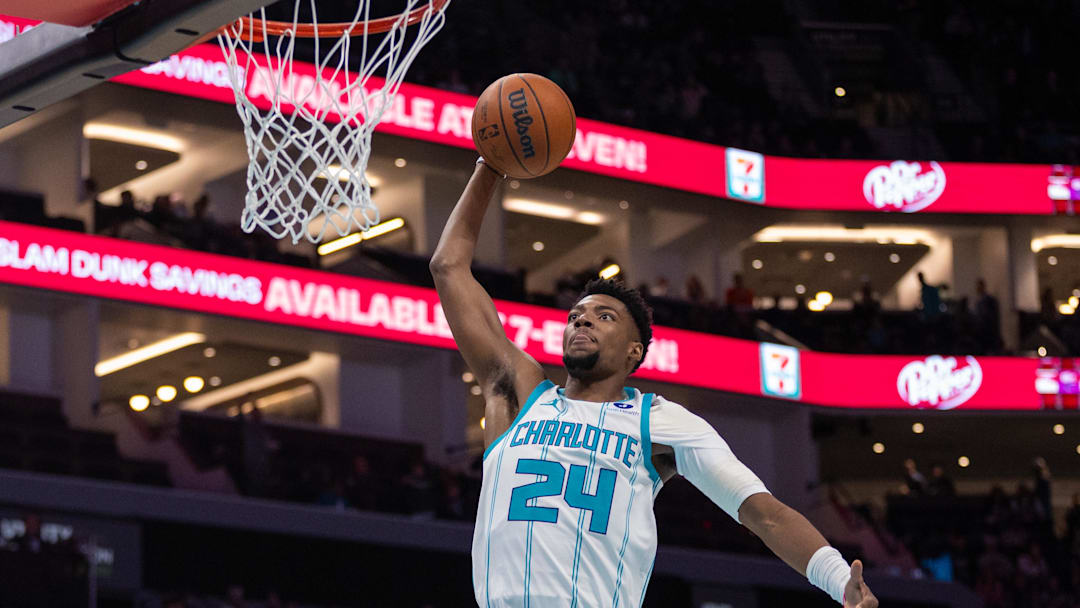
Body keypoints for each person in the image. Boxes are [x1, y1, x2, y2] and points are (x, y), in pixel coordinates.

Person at [430, 158, 877, 608]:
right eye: (576, 315)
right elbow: (448, 267)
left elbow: (766, 515)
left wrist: (840, 581)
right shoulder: (518, 392)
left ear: (634, 352)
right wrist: (490, 165)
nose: (583, 319)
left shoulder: (658, 421)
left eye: (604, 316)